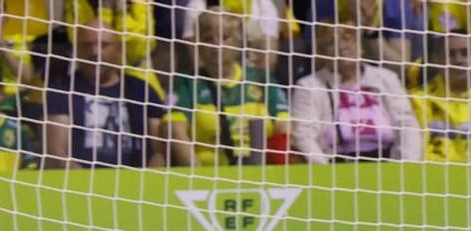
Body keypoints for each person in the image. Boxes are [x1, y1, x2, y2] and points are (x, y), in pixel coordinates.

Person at [41, 13, 168, 167]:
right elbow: (57, 152)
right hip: (80, 184)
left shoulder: (140, 90)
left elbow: (159, 153)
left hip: (138, 183)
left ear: (118, 51)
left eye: (103, 45)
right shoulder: (62, 90)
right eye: (86, 45)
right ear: (77, 51)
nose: (95, 52)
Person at [166, 9, 289, 166]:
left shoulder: (261, 79)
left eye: (225, 38)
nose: (216, 46)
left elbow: (283, 127)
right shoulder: (186, 83)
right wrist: (197, 177)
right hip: (209, 175)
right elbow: (176, 132)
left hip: (262, 171)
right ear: (198, 45)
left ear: (238, 42)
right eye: (208, 39)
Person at [290, 21, 425, 161]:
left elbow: (407, 125)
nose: (341, 47)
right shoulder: (308, 86)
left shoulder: (387, 79)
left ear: (360, 47)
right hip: (336, 167)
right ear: (322, 53)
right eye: (331, 43)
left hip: (388, 164)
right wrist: (326, 175)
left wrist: (406, 168)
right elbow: (303, 136)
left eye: (347, 39)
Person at [416, 30, 471, 161]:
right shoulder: (418, 100)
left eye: (465, 53)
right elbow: (417, 152)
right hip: (434, 177)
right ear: (437, 60)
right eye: (450, 54)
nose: (458, 60)